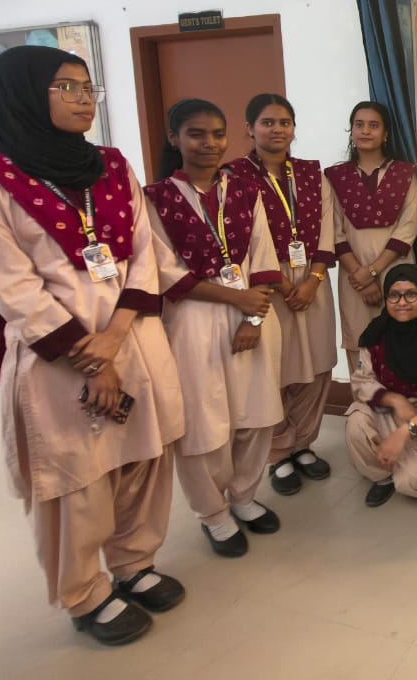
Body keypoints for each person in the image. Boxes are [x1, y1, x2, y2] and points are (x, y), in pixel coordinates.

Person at [0, 46, 185, 645]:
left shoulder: (110, 164)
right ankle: (85, 592)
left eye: (86, 87)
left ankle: (134, 561)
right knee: (79, 473)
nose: (83, 99)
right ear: (26, 94)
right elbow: (10, 284)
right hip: (58, 355)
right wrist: (91, 357)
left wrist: (117, 336)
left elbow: (143, 253)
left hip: (131, 334)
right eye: (66, 87)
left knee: (143, 455)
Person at [144, 99, 284, 558]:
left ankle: (243, 496)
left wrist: (253, 317)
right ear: (174, 139)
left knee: (256, 413)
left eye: (218, 134)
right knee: (203, 422)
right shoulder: (155, 198)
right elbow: (165, 272)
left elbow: (263, 255)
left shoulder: (244, 189)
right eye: (196, 134)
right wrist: (236, 300)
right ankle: (213, 513)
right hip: (193, 319)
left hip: (253, 315)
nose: (210, 143)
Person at [224, 94, 337, 496]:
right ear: (249, 129)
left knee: (316, 364)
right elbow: (242, 238)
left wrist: (313, 280)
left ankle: (303, 443)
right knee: (275, 368)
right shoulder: (234, 176)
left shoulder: (310, 173)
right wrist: (285, 285)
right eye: (267, 122)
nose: (277, 130)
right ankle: (278, 450)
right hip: (266, 285)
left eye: (284, 122)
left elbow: (328, 226)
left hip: (313, 281)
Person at [346, 264, 417, 506]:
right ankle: (382, 476)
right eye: (394, 295)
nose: (402, 302)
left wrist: (405, 432)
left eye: (411, 294)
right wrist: (394, 400)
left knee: (413, 486)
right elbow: (362, 380)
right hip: (388, 410)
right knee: (356, 421)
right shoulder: (377, 332)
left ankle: (406, 464)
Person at [325, 101, 417, 382]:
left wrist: (373, 271)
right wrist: (362, 277)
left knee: (400, 338)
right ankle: (363, 405)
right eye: (359, 125)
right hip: (353, 278)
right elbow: (334, 232)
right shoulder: (335, 177)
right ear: (351, 131)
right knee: (359, 342)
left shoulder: (405, 173)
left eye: (373, 125)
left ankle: (400, 405)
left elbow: (407, 228)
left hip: (396, 269)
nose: (365, 131)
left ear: (386, 133)